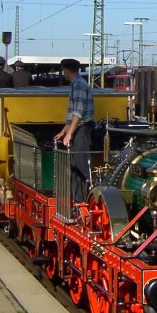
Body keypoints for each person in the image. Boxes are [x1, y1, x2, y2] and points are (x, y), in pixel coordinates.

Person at [53, 58, 94, 204]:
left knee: (81, 166)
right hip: (77, 129)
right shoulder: (75, 85)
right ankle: (77, 199)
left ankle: (83, 201)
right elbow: (72, 115)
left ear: (66, 70)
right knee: (75, 166)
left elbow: (78, 112)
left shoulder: (79, 86)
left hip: (82, 130)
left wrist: (69, 133)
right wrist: (64, 130)